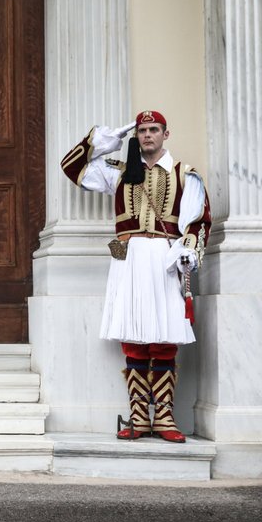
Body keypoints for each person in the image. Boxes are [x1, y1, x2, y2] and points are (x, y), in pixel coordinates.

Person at [61, 110, 211, 442]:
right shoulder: (118, 172)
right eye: (142, 130)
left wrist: (188, 248)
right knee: (133, 337)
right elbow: (71, 167)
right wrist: (100, 142)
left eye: (153, 129)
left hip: (165, 259)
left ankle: (166, 418)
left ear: (165, 134)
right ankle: (140, 416)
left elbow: (198, 220)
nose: (147, 135)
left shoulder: (185, 173)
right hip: (127, 259)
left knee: (164, 337)